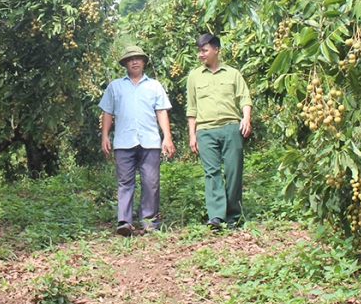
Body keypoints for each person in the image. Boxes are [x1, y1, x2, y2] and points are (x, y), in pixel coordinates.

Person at [99, 45, 175, 236]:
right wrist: (105, 136)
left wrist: (167, 137)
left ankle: (149, 222)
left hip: (149, 142)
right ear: (125, 63)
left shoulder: (154, 86)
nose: (134, 62)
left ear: (143, 62)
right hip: (124, 142)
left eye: (138, 59)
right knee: (125, 182)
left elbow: (161, 111)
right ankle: (124, 221)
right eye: (131, 59)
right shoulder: (115, 86)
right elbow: (107, 112)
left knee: (151, 182)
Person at [186, 33, 252, 230]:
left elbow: (245, 98)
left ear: (216, 50)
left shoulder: (233, 74)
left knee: (233, 171)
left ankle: (234, 216)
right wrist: (192, 134)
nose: (201, 54)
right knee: (211, 173)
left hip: (231, 127)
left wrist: (246, 118)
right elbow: (192, 108)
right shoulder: (194, 76)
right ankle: (216, 216)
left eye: (204, 50)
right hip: (205, 130)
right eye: (199, 51)